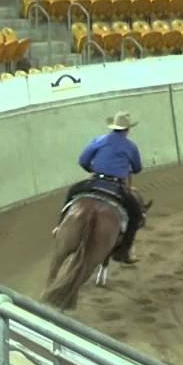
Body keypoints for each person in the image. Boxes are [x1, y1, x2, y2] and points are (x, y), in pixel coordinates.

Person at [61, 111, 145, 265]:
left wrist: (92, 169)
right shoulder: (130, 146)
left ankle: (59, 227)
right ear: (127, 129)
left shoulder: (99, 140)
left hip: (95, 181)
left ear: (113, 127)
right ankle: (124, 251)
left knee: (72, 193)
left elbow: (83, 160)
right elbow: (137, 168)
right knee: (135, 214)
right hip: (116, 186)